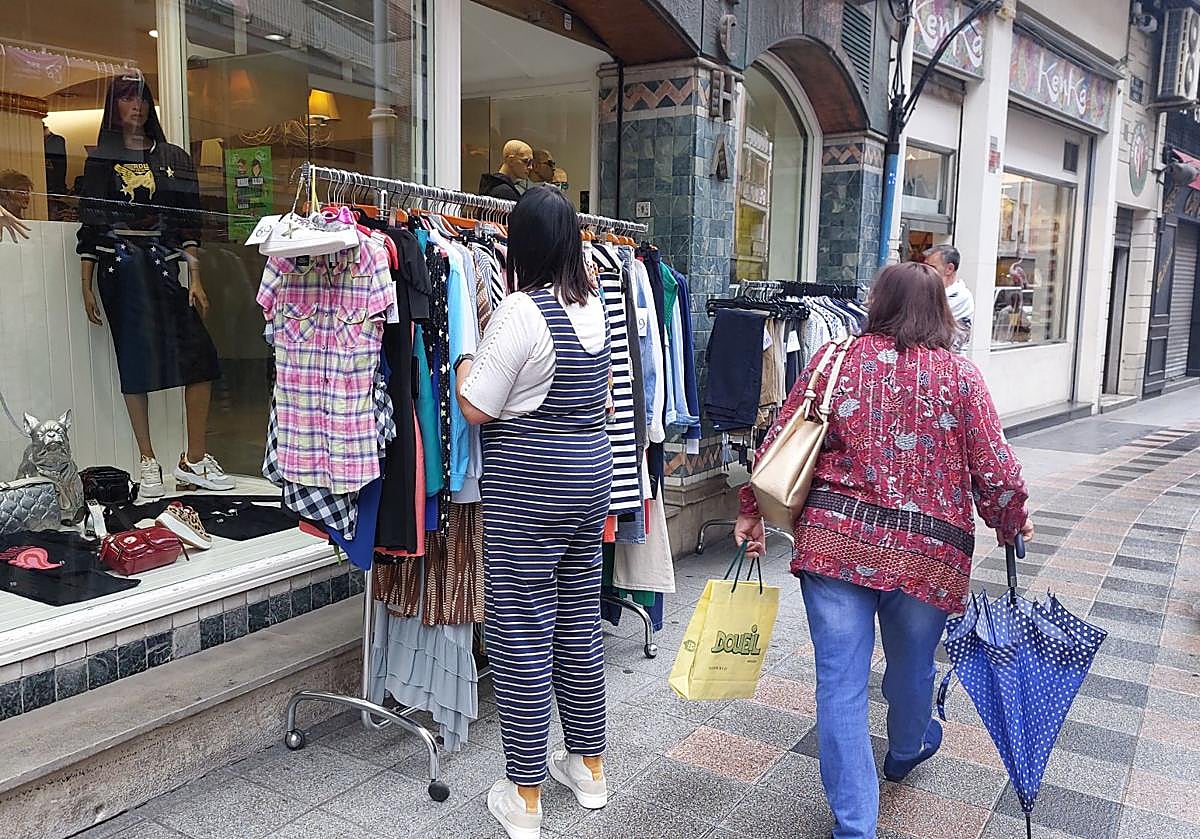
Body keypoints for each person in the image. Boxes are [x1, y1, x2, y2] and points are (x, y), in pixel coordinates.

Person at [735, 261, 1032, 839]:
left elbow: (779, 443)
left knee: (840, 684)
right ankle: (906, 748)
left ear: (877, 302)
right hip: (930, 555)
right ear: (940, 311)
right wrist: (1010, 519)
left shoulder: (832, 362)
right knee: (913, 667)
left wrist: (752, 508)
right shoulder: (962, 378)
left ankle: (855, 826)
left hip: (835, 547)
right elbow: (997, 470)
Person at [455, 185, 612, 839]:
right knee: (578, 623)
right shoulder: (593, 303)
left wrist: (464, 360)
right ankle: (589, 766)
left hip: (532, 492)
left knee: (521, 634)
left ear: (519, 245)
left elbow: (476, 405)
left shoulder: (521, 311)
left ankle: (524, 796)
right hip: (590, 479)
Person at [77, 74, 234, 498]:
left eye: (142, 99)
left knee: (200, 356)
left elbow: (188, 221)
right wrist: (87, 286)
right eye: (127, 98)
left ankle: (195, 458)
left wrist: (195, 275)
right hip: (119, 269)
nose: (137, 106)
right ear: (114, 106)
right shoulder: (100, 162)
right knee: (135, 362)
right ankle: (147, 459)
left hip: (165, 269)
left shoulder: (172, 158)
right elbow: (91, 226)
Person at [924, 243, 974, 351]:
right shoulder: (928, 291)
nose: (926, 272)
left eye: (932, 268)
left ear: (949, 269)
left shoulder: (960, 297)